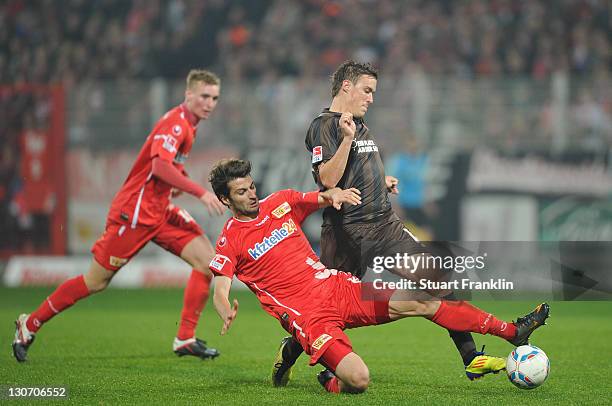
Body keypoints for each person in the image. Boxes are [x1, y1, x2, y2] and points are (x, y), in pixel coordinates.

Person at [207, 158, 550, 394]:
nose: (252, 194)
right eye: (241, 192)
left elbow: (324, 195)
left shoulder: (280, 202)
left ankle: (511, 332)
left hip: (337, 288)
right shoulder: (230, 239)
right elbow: (220, 284)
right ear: (225, 199)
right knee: (358, 380)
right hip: (309, 317)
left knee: (422, 299)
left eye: (252, 187)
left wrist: (351, 191)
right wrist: (224, 306)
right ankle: (328, 375)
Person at [274, 60, 496, 384]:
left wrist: (380, 181)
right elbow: (327, 179)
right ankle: (290, 351)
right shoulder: (325, 125)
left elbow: (357, 169)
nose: (371, 98)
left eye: (373, 92)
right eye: (367, 90)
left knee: (435, 275)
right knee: (328, 310)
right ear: (346, 86)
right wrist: (347, 139)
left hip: (384, 227)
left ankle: (471, 357)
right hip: (346, 233)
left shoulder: (360, 124)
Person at [12, 69, 226, 362]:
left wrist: (178, 181)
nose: (210, 102)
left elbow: (169, 167)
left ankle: (185, 337)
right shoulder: (176, 124)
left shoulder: (190, 123)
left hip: (160, 211)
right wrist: (198, 192)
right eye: (204, 96)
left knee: (206, 261)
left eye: (214, 97)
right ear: (188, 95)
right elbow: (159, 167)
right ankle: (30, 323)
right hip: (135, 214)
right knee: (95, 282)